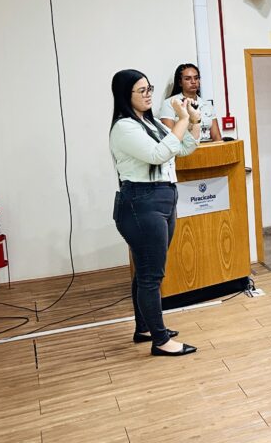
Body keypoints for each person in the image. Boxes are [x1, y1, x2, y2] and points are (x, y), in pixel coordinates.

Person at [110, 69, 200, 356]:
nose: (148, 94)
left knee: (145, 269)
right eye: (142, 90)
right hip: (141, 202)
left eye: (149, 88)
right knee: (152, 275)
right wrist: (182, 120)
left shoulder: (149, 123)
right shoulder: (125, 127)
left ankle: (145, 327)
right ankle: (160, 341)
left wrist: (193, 121)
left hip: (162, 198)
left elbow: (185, 148)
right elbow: (158, 155)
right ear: (126, 95)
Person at [159, 63, 221, 143]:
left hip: (208, 149)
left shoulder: (207, 105)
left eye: (196, 78)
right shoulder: (170, 103)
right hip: (184, 150)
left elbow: (217, 137)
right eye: (188, 79)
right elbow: (170, 138)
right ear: (180, 82)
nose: (193, 82)